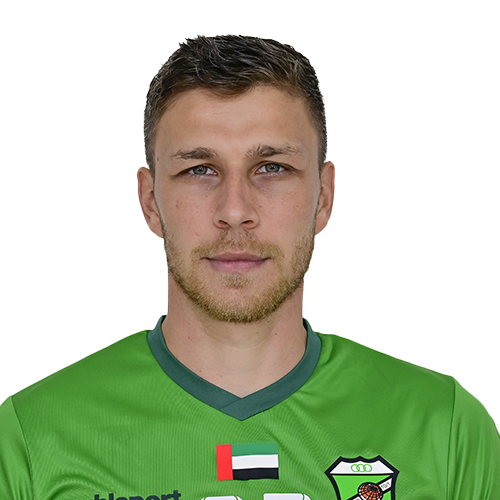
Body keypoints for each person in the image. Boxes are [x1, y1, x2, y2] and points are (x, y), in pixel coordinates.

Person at [1, 33, 498, 500]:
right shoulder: (31, 434)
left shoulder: (444, 425)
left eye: (272, 168)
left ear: (324, 196)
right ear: (149, 201)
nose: (235, 210)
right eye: (199, 169)